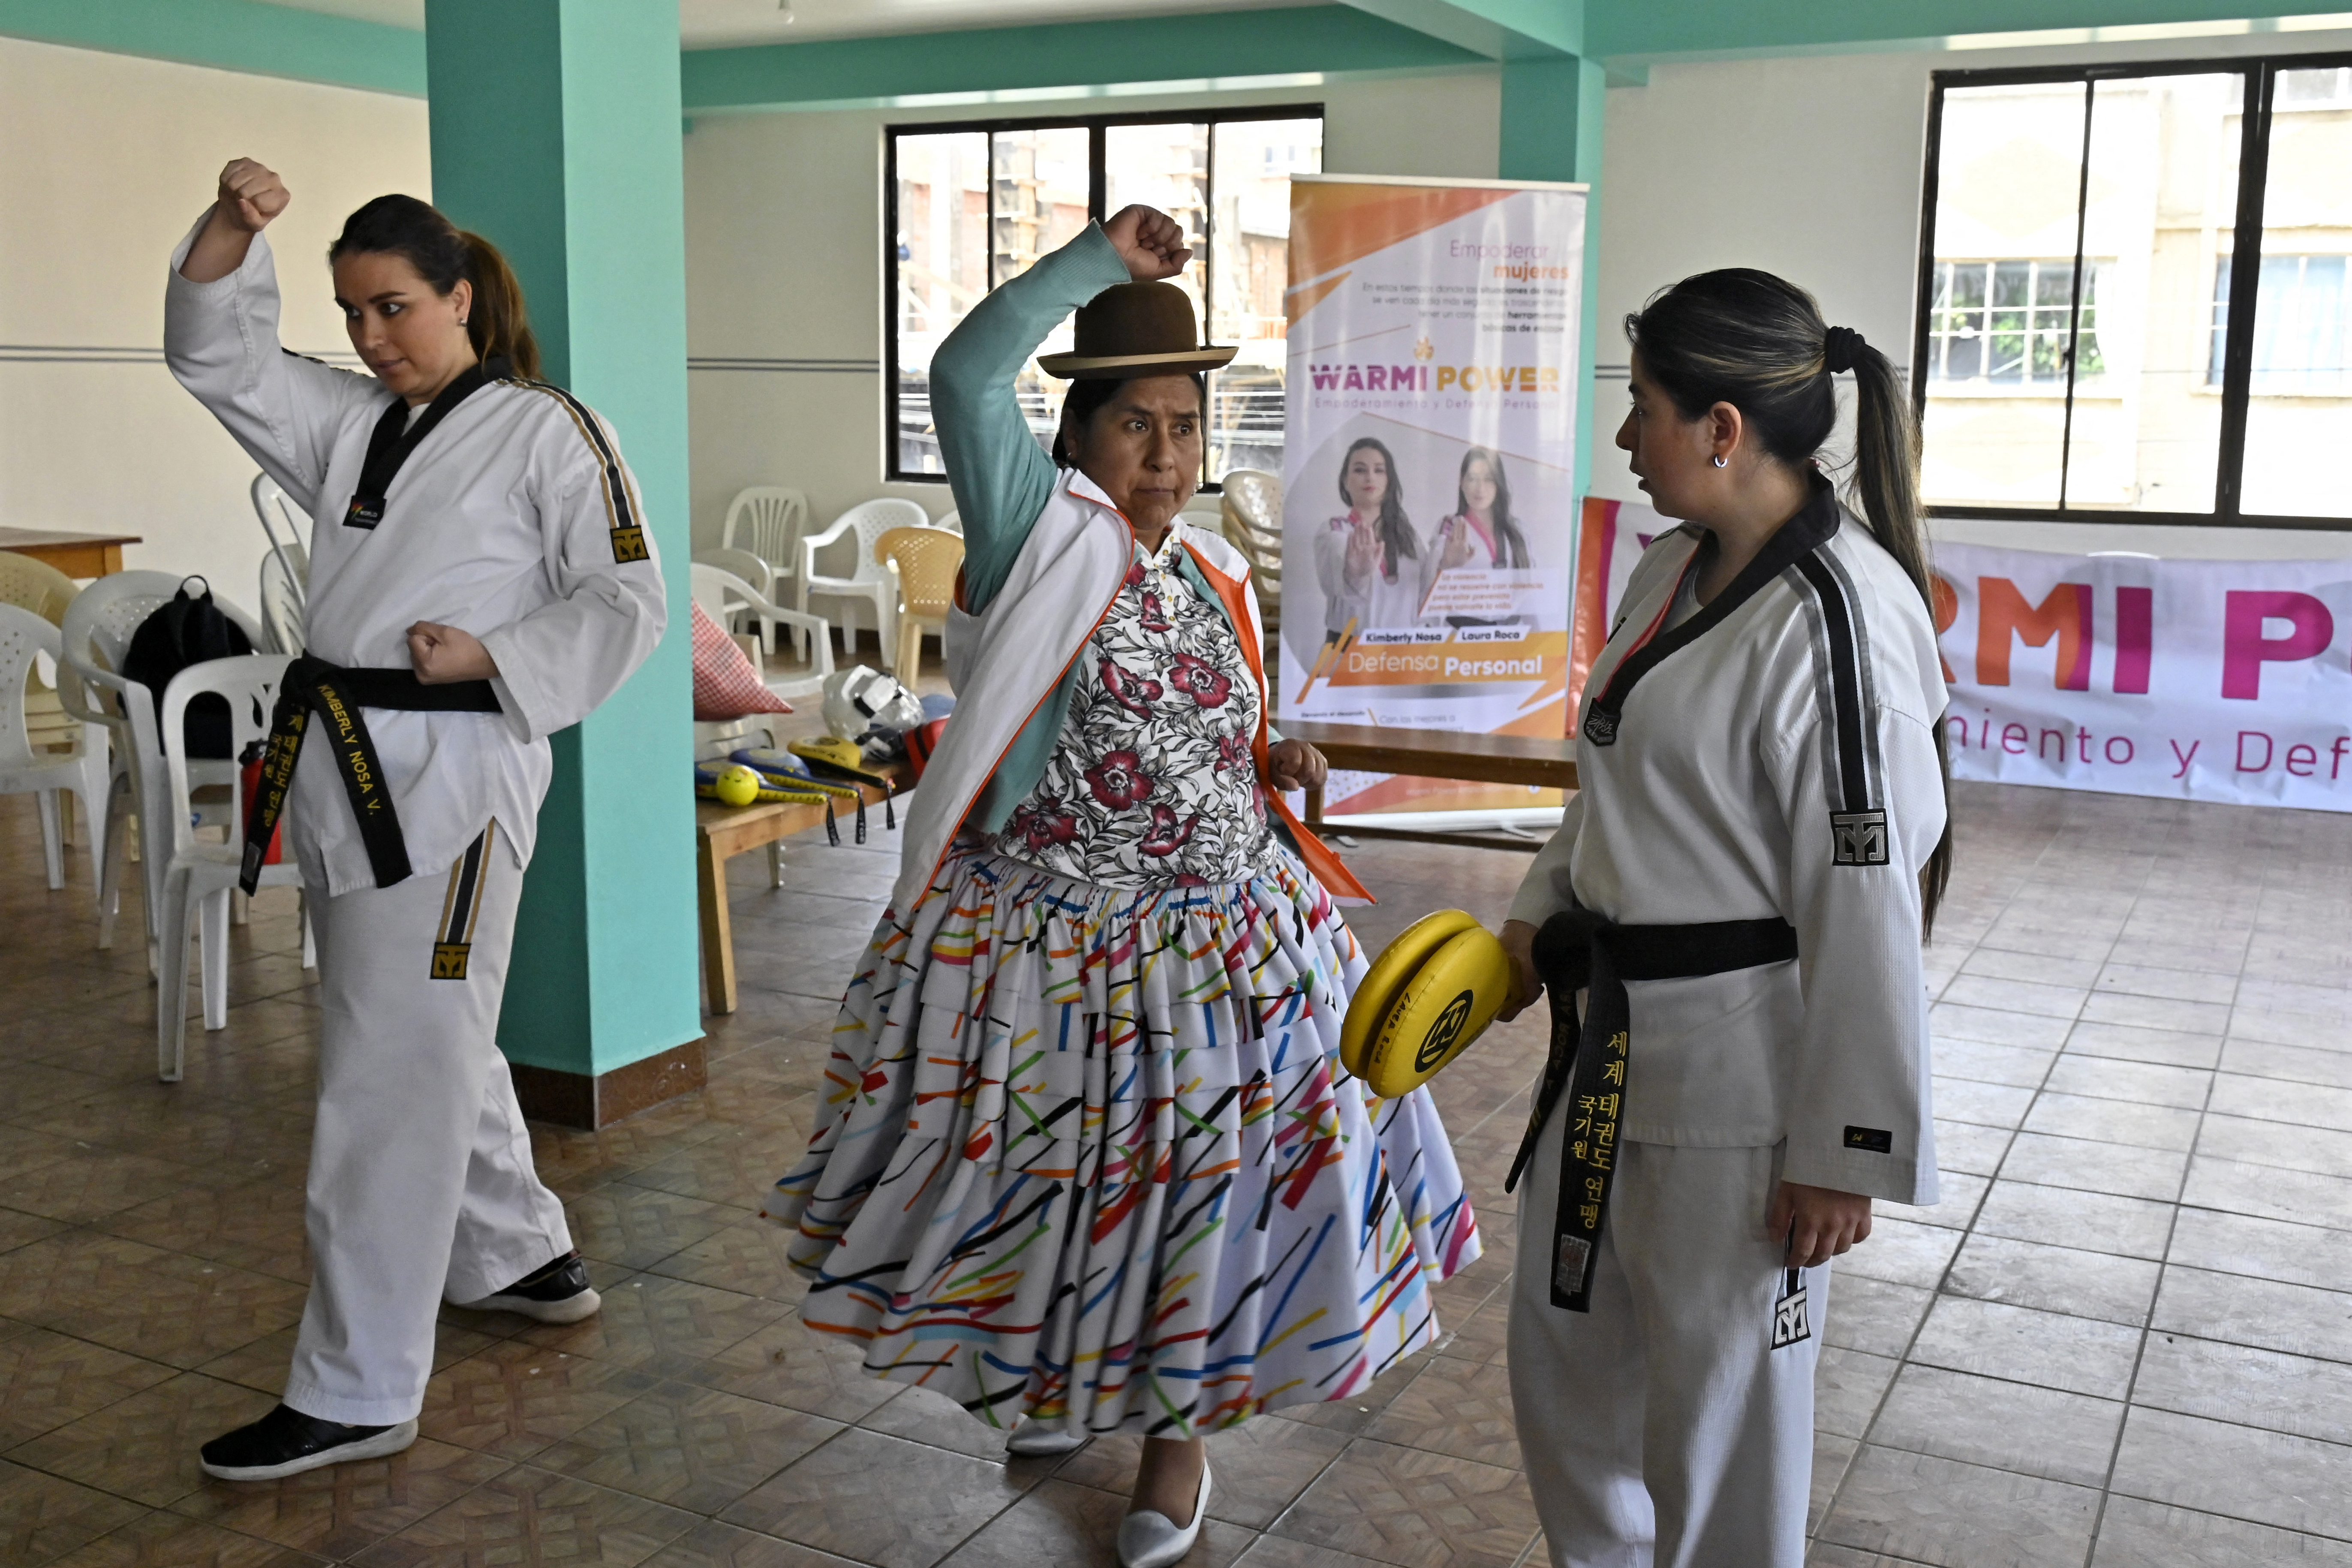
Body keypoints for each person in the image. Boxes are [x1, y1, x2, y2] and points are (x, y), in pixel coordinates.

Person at [764, 206, 1478, 1568]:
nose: (1165, 455)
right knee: (1053, 1179)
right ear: (1076, 438)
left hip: (1228, 943)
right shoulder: (1039, 536)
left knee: (1201, 1187)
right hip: (1053, 948)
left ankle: (1173, 1439)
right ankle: (1065, 1379)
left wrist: (1270, 747)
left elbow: (1209, 722)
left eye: (1187, 427)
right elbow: (967, 373)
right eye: (1134, 426)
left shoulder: (1212, 571)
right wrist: (1098, 262)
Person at [165, 159, 665, 1480]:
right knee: (415, 1031)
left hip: (446, 783)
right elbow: (217, 360)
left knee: (390, 1069)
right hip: (344, 765)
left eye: (394, 307)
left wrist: (490, 657)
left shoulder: (554, 429)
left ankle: (358, 1382)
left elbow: (628, 603)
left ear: (460, 297)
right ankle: (519, 1254)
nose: (371, 339)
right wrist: (232, 231)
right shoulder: (351, 425)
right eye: (350, 314)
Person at [1494, 271, 1951, 1567]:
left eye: (1640, 411)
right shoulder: (1663, 572)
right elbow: (1609, 784)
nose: (1627, 442)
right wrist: (1528, 930)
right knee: (1567, 1367)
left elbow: (1868, 894)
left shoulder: (1839, 620)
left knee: (1722, 1418)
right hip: (1611, 1050)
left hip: (1746, 1085)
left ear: (1721, 428)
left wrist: (1843, 1144)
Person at [1311, 436, 1432, 634]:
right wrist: (1356, 573)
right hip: (1350, 655)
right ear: (1345, 480)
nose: (1370, 477)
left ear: (1389, 480)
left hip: (1404, 655)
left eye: (1379, 470)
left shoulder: (1407, 535)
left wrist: (1446, 565)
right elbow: (1337, 583)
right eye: (1360, 470)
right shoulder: (1335, 531)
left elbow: (1426, 591)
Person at [1429, 445, 1534, 628]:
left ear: (1499, 484)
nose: (1480, 488)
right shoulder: (1449, 527)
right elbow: (1429, 590)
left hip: (1511, 639)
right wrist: (1446, 566)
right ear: (1462, 483)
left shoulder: (1518, 530)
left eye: (1489, 480)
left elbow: (1531, 593)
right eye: (1472, 479)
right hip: (1462, 638)